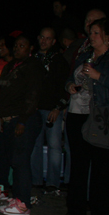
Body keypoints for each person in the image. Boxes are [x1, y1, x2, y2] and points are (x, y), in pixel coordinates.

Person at [64, 18, 109, 215]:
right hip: (77, 113)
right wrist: (70, 86)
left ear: (107, 36)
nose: (91, 37)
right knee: (78, 163)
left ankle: (99, 211)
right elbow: (70, 79)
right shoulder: (84, 56)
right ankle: (76, 208)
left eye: (96, 33)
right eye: (90, 33)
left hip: (101, 115)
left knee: (101, 165)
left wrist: (98, 75)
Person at [0, 35, 45, 215]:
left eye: (22, 45)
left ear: (30, 48)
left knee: (20, 160)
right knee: (12, 160)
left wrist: (23, 120)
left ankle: (23, 203)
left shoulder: (32, 66)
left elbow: (33, 94)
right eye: (15, 45)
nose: (17, 49)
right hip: (9, 119)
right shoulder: (11, 66)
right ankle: (16, 198)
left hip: (24, 118)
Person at [31, 28, 70, 191]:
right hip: (34, 109)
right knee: (35, 145)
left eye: (48, 38)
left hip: (52, 110)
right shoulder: (32, 59)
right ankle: (36, 181)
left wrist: (58, 107)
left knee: (54, 145)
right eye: (42, 37)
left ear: (54, 41)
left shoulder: (59, 60)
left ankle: (53, 183)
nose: (44, 41)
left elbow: (65, 86)